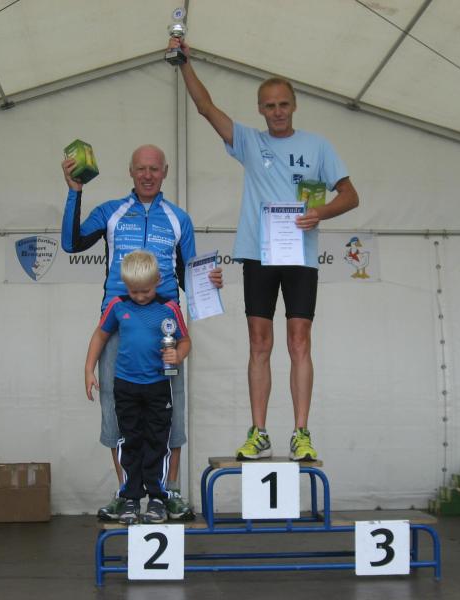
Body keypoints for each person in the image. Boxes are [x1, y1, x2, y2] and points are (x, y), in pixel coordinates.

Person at [169, 38, 359, 461]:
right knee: (259, 342)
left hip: (300, 256)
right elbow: (205, 108)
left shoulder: (318, 146)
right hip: (258, 254)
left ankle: (301, 433)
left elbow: (350, 195)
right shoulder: (250, 142)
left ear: (295, 105)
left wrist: (320, 212)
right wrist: (184, 64)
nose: (277, 112)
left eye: (283, 104)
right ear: (260, 109)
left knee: (299, 341)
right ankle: (259, 432)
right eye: (270, 106)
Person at [61, 144, 221, 521]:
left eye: (154, 169)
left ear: (165, 171)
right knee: (117, 414)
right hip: (119, 324)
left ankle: (168, 493)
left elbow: (188, 274)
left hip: (165, 330)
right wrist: (74, 191)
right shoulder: (111, 212)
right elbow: (71, 243)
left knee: (170, 413)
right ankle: (127, 493)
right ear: (130, 172)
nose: (147, 175)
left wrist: (209, 282)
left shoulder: (179, 219)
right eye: (141, 169)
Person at [84, 250, 190, 524]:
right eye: (134, 291)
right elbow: (100, 335)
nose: (140, 297)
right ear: (125, 285)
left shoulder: (169, 308)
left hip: (158, 386)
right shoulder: (117, 305)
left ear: (158, 281)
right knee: (129, 440)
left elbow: (185, 340)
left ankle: (157, 498)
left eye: (146, 291)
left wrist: (178, 355)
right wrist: (89, 369)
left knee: (157, 441)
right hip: (126, 386)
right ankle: (130, 497)